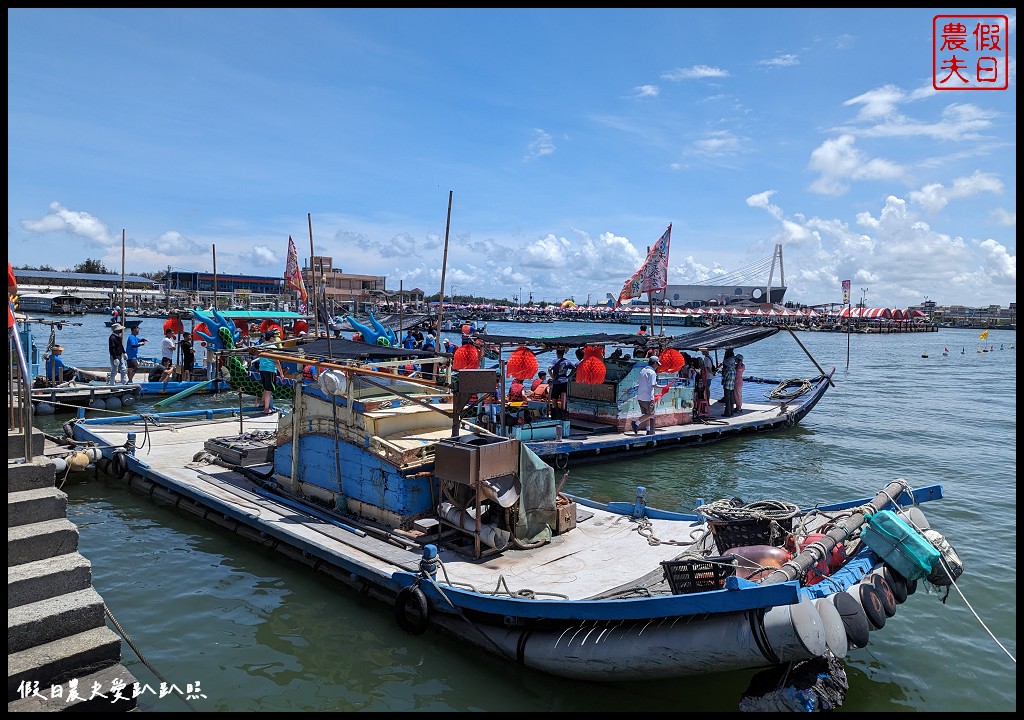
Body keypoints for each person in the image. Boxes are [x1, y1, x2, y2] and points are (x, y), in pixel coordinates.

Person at [630, 355, 664, 435]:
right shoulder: (652, 373)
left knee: (646, 414)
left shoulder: (643, 370)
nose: (658, 366)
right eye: (657, 364)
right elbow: (652, 385)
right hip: (648, 397)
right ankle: (636, 423)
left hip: (640, 396)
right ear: (655, 363)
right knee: (651, 414)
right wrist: (663, 387)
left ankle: (648, 430)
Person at [257, 329, 285, 414]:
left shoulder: (261, 346)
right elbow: (276, 361)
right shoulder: (273, 347)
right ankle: (266, 408)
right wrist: (281, 373)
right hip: (270, 370)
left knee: (265, 387)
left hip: (262, 369)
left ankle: (262, 403)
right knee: (269, 389)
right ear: (271, 338)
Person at [548, 347, 576, 420]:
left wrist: (552, 376)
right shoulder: (567, 361)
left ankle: (555, 412)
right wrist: (569, 376)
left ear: (557, 353)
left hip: (557, 381)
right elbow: (574, 368)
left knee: (554, 398)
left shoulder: (555, 361)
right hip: (564, 381)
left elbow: (549, 369)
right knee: (564, 396)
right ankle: (563, 413)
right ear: (563, 353)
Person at [720, 348, 737, 417]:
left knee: (727, 400)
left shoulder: (728, 370)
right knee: (731, 399)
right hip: (732, 386)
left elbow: (724, 377)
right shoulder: (734, 370)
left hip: (727, 385)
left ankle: (727, 413)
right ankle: (731, 412)